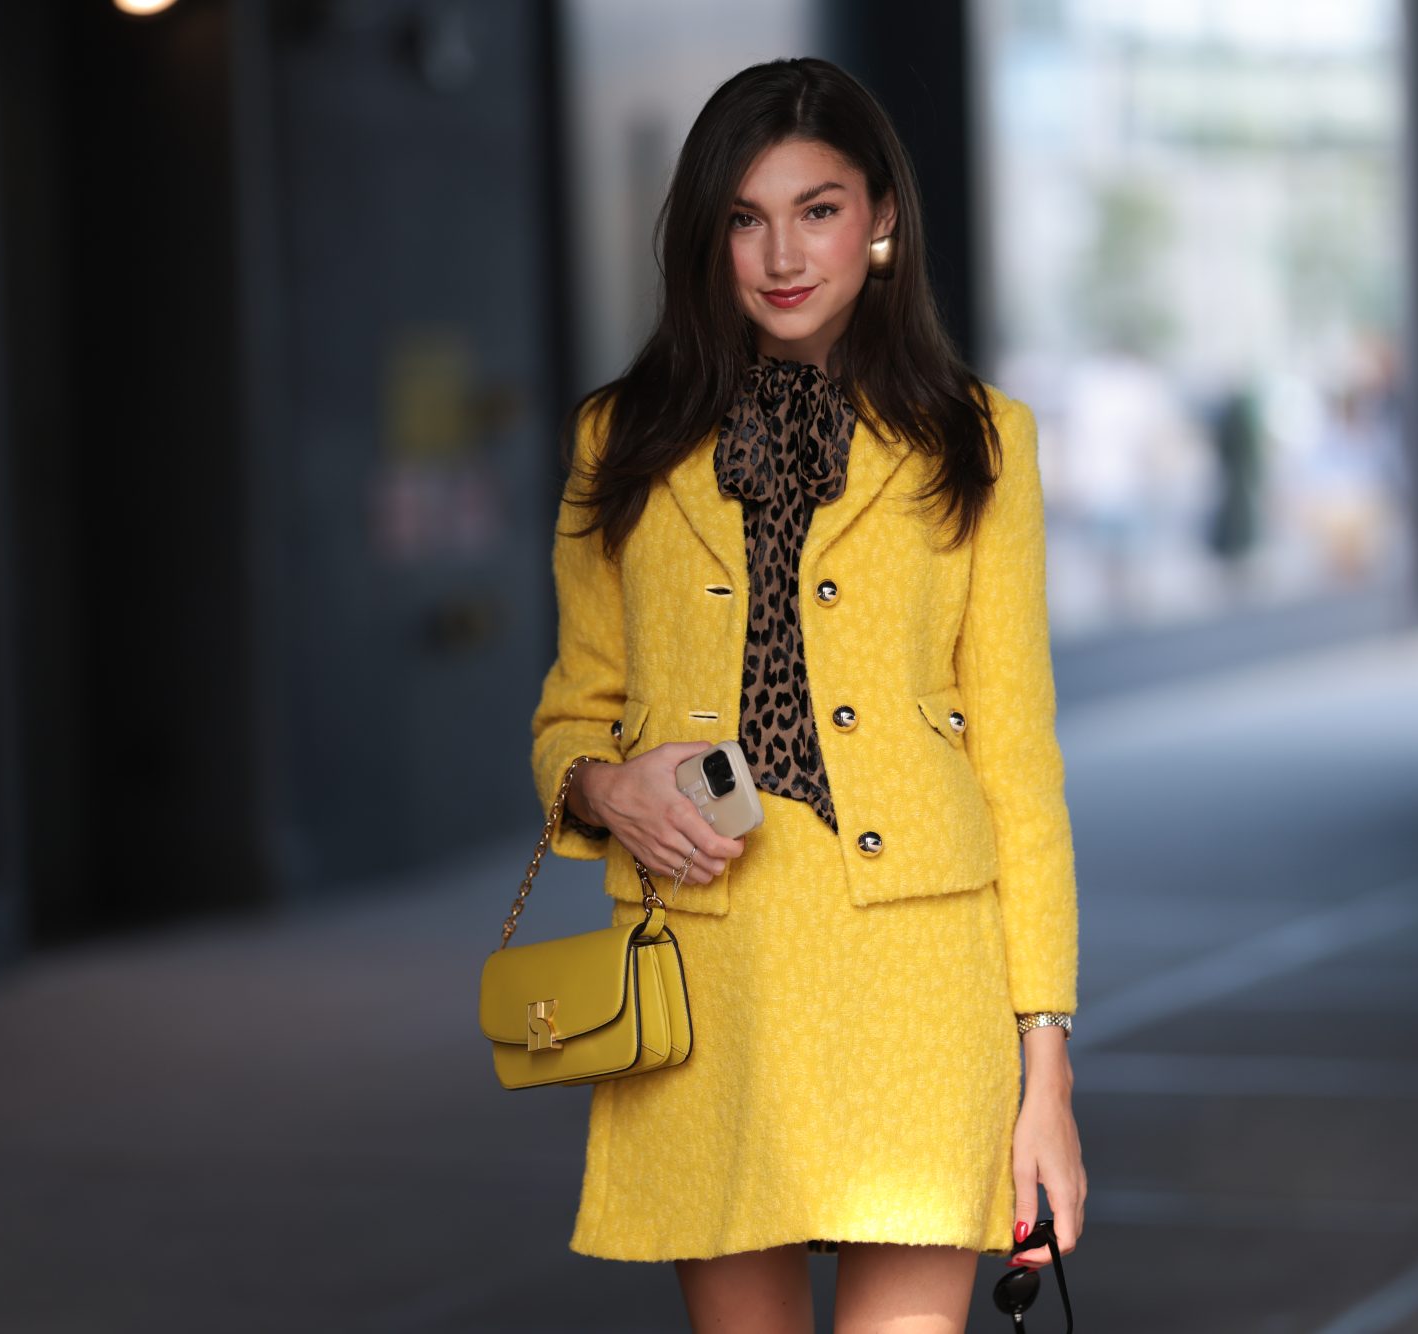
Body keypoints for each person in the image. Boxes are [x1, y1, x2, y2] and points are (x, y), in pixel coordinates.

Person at [529, 56, 1086, 1333]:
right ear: (706, 236)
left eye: (817, 207)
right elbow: (573, 710)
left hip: (915, 970)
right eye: (743, 216)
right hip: (710, 970)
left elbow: (1017, 756)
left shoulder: (979, 440)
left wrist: (1042, 1070)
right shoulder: (621, 439)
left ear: (881, 216)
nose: (781, 251)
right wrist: (606, 787)